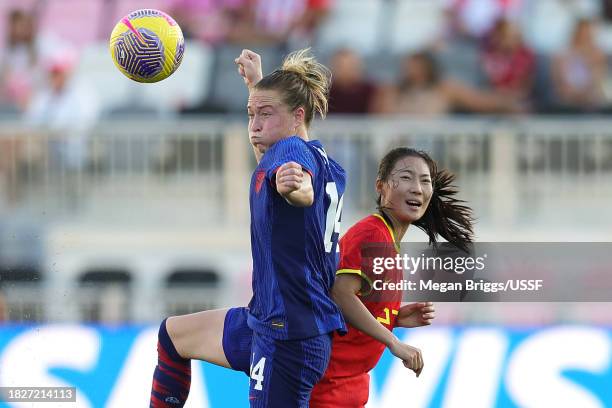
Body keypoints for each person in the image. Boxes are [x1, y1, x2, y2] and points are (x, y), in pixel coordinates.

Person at [150, 48, 361, 407]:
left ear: (298, 117)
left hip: (288, 338)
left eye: (265, 115)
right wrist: (256, 86)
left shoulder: (290, 153)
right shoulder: (327, 162)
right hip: (269, 321)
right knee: (174, 337)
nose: (254, 126)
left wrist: (295, 187)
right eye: (251, 115)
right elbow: (275, 168)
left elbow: (297, 183)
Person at [310, 147, 474, 408]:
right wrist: (393, 343)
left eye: (425, 181)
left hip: (351, 382)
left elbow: (351, 307)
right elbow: (340, 294)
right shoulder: (372, 234)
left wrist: (394, 318)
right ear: (381, 186)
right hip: (329, 382)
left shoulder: (387, 240)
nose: (417, 188)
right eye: (406, 177)